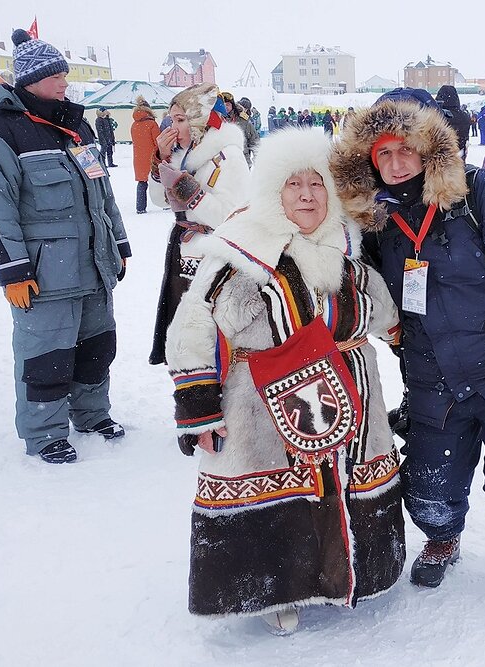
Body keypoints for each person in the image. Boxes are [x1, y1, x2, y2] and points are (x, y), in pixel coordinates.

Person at [165, 127, 405, 635]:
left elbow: (383, 311)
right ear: (273, 194)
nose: (306, 195)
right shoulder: (242, 253)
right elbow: (193, 326)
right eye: (293, 185)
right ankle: (281, 589)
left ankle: (347, 573)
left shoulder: (346, 249)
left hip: (350, 393)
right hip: (261, 408)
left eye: (316, 184)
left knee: (336, 484)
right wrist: (199, 408)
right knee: (284, 491)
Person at [331, 88, 485, 603]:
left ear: (430, 147)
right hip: (432, 378)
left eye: (405, 148)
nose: (395, 163)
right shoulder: (377, 223)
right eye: (382, 153)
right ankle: (441, 538)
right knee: (431, 483)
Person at [0, 28, 131, 464]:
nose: (63, 81)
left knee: (97, 349)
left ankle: (92, 414)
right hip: (44, 274)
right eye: (53, 75)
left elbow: (103, 194)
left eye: (64, 73)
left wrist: (119, 242)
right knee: (46, 356)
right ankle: (44, 433)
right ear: (28, 81)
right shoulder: (2, 133)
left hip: (94, 268)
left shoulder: (76, 126)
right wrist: (12, 269)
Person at [147, 83, 251, 366]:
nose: (173, 126)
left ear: (199, 120)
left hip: (213, 259)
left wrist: (190, 192)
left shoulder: (229, 157)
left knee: (210, 339)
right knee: (183, 337)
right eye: (172, 119)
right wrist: (161, 162)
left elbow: (232, 216)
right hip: (182, 256)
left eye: (181, 120)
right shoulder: (182, 155)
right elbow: (158, 200)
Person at [131, 96, 160, 214]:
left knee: (142, 182)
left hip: (139, 158)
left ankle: (140, 207)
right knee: (161, 180)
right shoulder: (152, 124)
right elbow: (158, 142)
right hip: (152, 157)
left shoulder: (134, 125)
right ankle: (165, 202)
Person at [220, 91, 258, 166]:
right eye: (223, 105)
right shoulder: (217, 120)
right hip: (223, 162)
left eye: (227, 104)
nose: (225, 107)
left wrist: (258, 159)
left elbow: (254, 141)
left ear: (232, 106)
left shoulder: (243, 121)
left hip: (242, 160)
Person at [435, 85, 471, 160]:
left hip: (438, 157)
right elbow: (465, 137)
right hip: (458, 155)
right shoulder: (464, 116)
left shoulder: (436, 115)